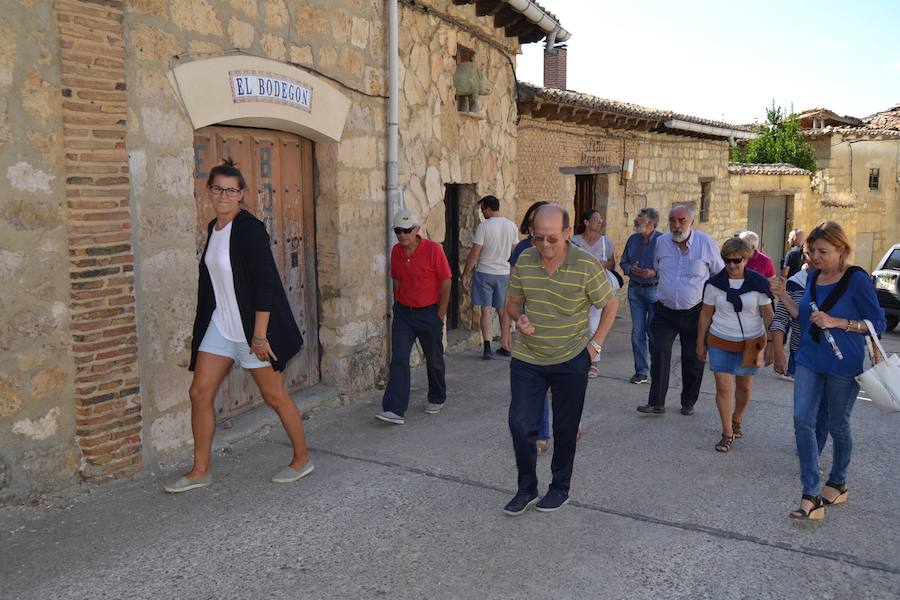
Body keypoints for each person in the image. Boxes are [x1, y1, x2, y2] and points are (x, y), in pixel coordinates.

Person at [165, 159, 312, 493]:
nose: (223, 196)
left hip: (251, 331)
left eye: (231, 191)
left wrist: (260, 334)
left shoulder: (249, 229)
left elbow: (264, 284)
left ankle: (302, 458)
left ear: (241, 194)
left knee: (274, 396)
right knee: (199, 393)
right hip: (221, 326)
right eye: (218, 189)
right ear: (209, 191)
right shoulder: (213, 229)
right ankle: (200, 469)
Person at [503, 205, 618, 515]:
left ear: (568, 234)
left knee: (565, 428)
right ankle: (526, 487)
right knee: (519, 422)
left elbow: (610, 304)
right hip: (528, 359)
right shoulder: (525, 258)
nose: (544, 246)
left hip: (570, 359)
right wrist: (519, 317)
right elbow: (512, 302)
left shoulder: (585, 266)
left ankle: (559, 488)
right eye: (537, 238)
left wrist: (594, 347)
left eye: (552, 239)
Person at [770, 221, 886, 520]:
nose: (815, 258)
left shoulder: (857, 280)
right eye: (810, 252)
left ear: (841, 250)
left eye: (823, 252)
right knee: (802, 421)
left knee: (838, 425)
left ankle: (837, 481)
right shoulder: (811, 276)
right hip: (809, 357)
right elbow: (805, 317)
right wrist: (783, 296)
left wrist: (838, 322)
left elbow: (878, 324)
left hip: (843, 363)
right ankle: (810, 492)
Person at [637, 205, 724, 416]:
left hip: (695, 311)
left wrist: (713, 306)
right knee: (658, 351)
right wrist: (649, 274)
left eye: (681, 220)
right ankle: (657, 402)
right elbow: (659, 269)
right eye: (672, 220)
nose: (676, 225)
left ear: (691, 221)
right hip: (664, 310)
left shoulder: (705, 243)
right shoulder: (661, 242)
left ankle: (688, 401)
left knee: (693, 357)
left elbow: (719, 274)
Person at [696, 238, 774, 452]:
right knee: (723, 388)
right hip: (720, 339)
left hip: (752, 341)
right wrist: (700, 343)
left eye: (737, 260)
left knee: (745, 387)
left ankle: (737, 418)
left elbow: (768, 315)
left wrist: (773, 345)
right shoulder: (714, 284)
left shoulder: (759, 283)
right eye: (727, 260)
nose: (732, 265)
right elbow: (705, 315)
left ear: (746, 259)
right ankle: (727, 432)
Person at [375, 209, 452, 425]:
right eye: (398, 231)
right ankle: (394, 409)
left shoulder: (433, 250)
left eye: (406, 231)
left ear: (416, 230)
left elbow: (446, 281)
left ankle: (437, 396)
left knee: (434, 358)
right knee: (399, 358)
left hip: (429, 313)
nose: (402, 235)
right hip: (404, 314)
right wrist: (398, 302)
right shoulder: (396, 252)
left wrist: (440, 314)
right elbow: (396, 279)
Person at [509, 201, 551, 452]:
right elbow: (512, 293)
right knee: (537, 384)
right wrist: (510, 323)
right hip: (529, 327)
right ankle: (540, 434)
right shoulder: (522, 251)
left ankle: (569, 420)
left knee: (560, 387)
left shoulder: (564, 249)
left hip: (558, 328)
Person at [461, 195, 519, 359]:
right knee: (503, 310)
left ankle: (487, 348)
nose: (482, 212)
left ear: (487, 208)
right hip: (504, 273)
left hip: (485, 272)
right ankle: (505, 344)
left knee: (485, 310)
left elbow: (475, 253)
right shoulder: (511, 226)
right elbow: (515, 251)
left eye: (482, 209)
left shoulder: (484, 226)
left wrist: (465, 274)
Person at [571, 209, 620, 378]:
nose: (600, 223)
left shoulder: (606, 242)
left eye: (601, 220)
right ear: (586, 222)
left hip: (599, 288)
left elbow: (613, 264)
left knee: (593, 326)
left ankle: (594, 362)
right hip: (577, 288)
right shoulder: (574, 241)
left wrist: (602, 264)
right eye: (596, 220)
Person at [620, 208, 663, 384]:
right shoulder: (632, 239)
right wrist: (631, 269)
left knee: (653, 332)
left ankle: (657, 369)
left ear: (650, 223)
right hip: (635, 290)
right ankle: (641, 371)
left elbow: (669, 265)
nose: (636, 220)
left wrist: (653, 272)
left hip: (654, 290)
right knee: (637, 332)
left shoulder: (663, 241)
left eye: (640, 218)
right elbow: (623, 261)